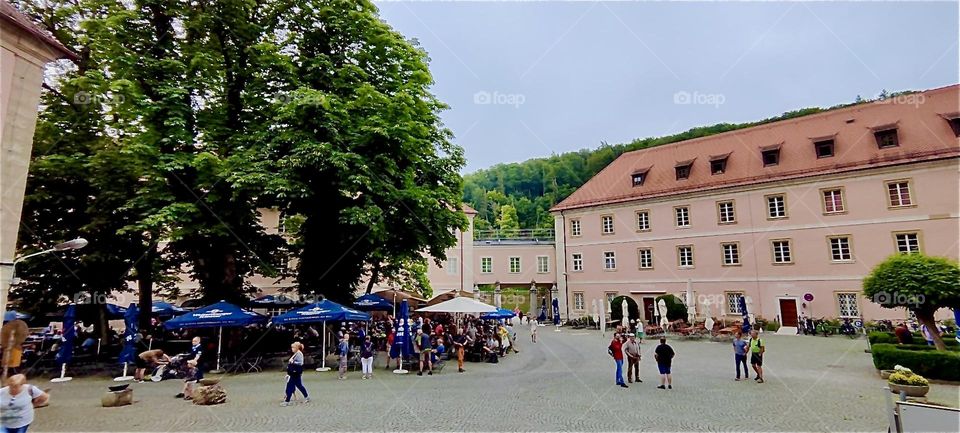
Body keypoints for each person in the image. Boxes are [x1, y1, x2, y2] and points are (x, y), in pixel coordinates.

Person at [281, 342, 309, 406]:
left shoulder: (299, 354)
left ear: (297, 348)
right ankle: (306, 396)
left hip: (295, 373)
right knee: (299, 385)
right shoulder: (296, 353)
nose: (292, 349)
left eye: (293, 347)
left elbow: (300, 363)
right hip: (294, 373)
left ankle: (287, 401)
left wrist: (293, 362)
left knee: (290, 386)